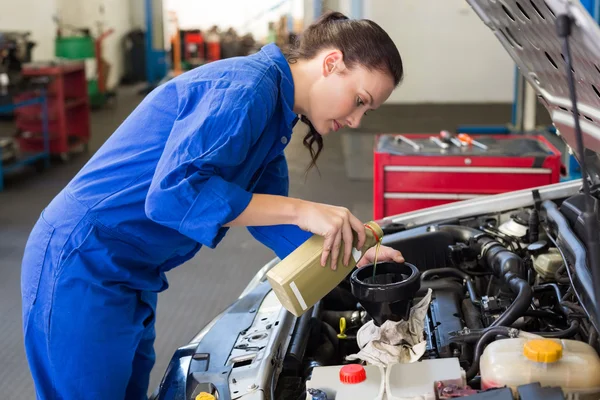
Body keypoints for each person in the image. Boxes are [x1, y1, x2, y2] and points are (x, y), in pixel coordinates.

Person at [21, 11, 405, 400]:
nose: (356, 119)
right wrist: (303, 210)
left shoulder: (276, 114)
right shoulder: (246, 89)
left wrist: (352, 257)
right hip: (82, 262)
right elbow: (173, 196)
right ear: (331, 63)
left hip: (129, 272)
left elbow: (268, 220)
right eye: (359, 100)